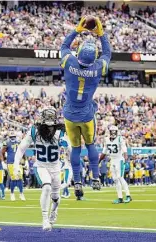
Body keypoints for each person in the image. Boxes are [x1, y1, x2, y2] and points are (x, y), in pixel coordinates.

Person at [60, 16, 111, 199]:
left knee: (75, 148)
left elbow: (64, 47)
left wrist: (77, 30)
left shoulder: (70, 62)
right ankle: (96, 178)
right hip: (87, 113)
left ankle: (78, 181)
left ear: (79, 52)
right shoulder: (98, 68)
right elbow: (107, 54)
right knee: (90, 144)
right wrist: (101, 34)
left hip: (70, 114)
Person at [14, 107, 66, 231]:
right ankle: (45, 219)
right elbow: (21, 148)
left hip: (55, 167)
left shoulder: (61, 132)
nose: (48, 119)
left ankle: (54, 211)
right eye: (46, 116)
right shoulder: (34, 131)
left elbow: (70, 149)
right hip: (41, 166)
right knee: (46, 187)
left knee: (56, 198)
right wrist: (16, 164)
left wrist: (67, 145)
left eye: (50, 116)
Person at [99, 126, 132, 204]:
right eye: (112, 131)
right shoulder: (106, 139)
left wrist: (126, 160)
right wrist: (99, 161)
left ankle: (128, 196)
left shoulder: (120, 138)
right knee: (115, 179)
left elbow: (124, 150)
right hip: (112, 160)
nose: (113, 133)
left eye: (114, 131)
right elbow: (104, 152)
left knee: (120, 178)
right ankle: (120, 197)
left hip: (119, 159)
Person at [0, 130, 26, 201]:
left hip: (18, 162)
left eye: (14, 136)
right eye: (11, 137)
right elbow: (1, 152)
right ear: (9, 137)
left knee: (20, 178)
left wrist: (25, 160)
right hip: (11, 162)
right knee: (13, 178)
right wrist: (3, 162)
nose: (13, 138)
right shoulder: (7, 143)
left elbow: (23, 151)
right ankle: (12, 194)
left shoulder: (19, 142)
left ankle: (21, 194)